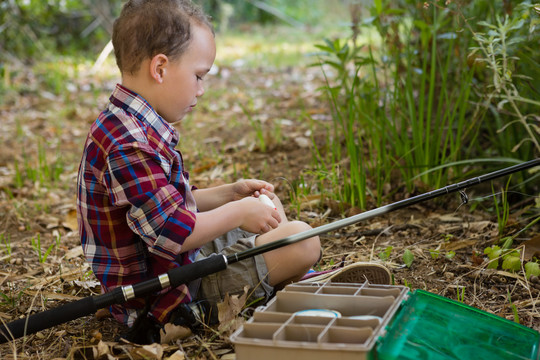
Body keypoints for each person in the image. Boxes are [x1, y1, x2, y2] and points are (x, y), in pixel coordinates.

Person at [76, 0, 322, 343]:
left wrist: (231, 194)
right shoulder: (127, 144)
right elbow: (174, 232)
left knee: (269, 207)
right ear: (160, 68)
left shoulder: (129, 124)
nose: (201, 90)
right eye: (198, 76)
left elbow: (166, 206)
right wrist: (238, 212)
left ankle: (291, 277)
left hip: (177, 264)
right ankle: (295, 279)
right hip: (165, 298)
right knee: (302, 241)